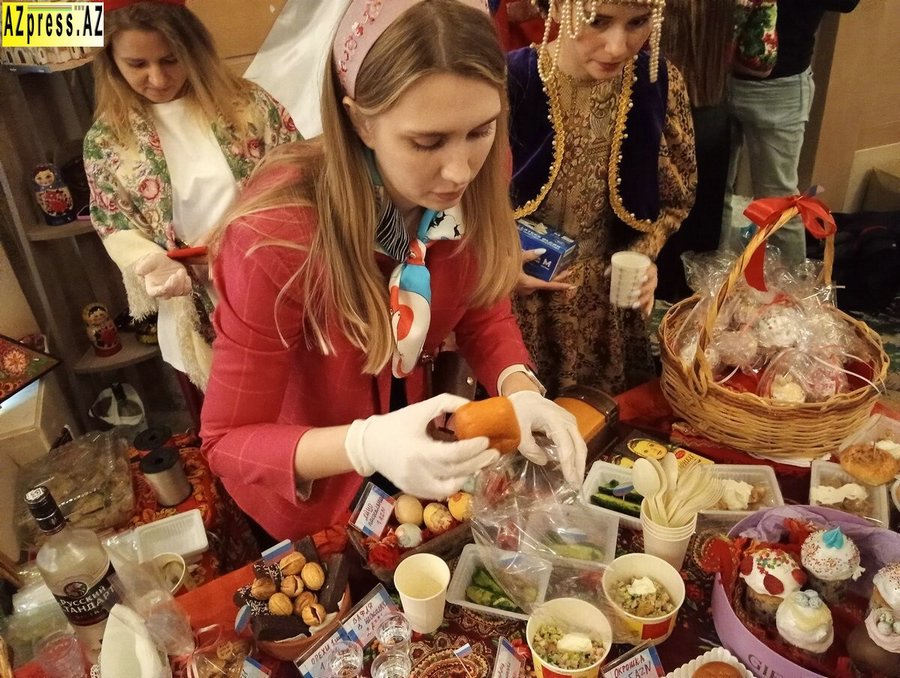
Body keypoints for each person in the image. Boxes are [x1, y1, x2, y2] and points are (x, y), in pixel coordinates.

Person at [200, 0, 586, 541]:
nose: (460, 172)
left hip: (423, 454)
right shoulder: (274, 238)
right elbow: (226, 441)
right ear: (360, 121)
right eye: (427, 142)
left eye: (481, 131)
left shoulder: (478, 169)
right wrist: (365, 445)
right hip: (319, 489)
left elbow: (480, 307)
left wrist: (519, 386)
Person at [84, 0, 300, 391]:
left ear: (194, 49)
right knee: (231, 415)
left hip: (276, 285)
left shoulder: (249, 104)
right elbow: (113, 220)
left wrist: (236, 233)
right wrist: (150, 261)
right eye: (137, 64)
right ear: (111, 61)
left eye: (170, 59)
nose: (157, 78)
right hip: (191, 304)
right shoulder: (107, 141)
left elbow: (298, 176)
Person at [508, 0, 697, 396]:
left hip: (607, 310)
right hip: (515, 307)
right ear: (555, 8)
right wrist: (495, 266)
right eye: (597, 21)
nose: (617, 46)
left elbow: (675, 198)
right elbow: (456, 205)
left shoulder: (656, 83)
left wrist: (643, 257)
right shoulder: (507, 80)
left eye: (638, 22)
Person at [720, 0, 860, 265]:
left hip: (781, 82)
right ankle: (707, 282)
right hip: (712, 72)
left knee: (777, 199)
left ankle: (792, 287)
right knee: (713, 192)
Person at [655, 0, 735, 301]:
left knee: (667, 204)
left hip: (666, 104)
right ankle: (691, 300)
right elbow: (759, 60)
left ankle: (668, 299)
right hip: (712, 102)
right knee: (704, 208)